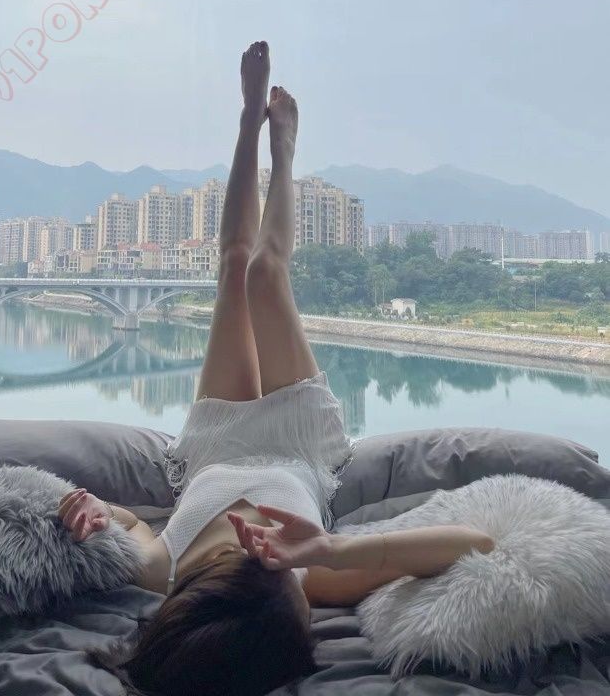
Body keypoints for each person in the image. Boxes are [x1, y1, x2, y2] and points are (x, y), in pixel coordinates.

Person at [58, 41, 494, 696]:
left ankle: (246, 121)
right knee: (266, 273)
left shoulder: (159, 570)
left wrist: (94, 511)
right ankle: (284, 152)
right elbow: (475, 544)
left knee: (233, 267)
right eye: (280, 578)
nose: (263, 554)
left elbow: (127, 524)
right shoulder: (316, 575)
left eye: (248, 565)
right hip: (296, 445)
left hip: (217, 444)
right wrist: (330, 549)